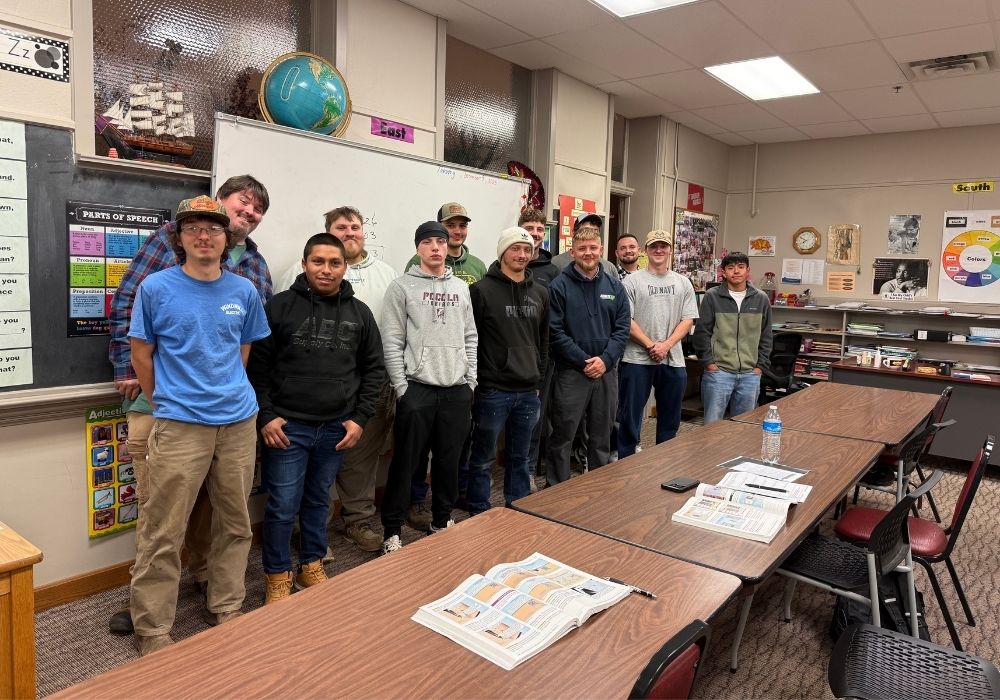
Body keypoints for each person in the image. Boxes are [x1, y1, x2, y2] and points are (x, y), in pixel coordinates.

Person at [107, 175, 271, 636]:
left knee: (235, 523)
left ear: (226, 237)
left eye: (214, 229)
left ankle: (226, 606)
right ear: (179, 237)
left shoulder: (243, 290)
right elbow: (140, 352)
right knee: (163, 530)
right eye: (194, 228)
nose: (205, 235)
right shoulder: (157, 288)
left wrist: (222, 388)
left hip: (238, 422)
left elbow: (241, 351)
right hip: (179, 423)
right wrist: (167, 400)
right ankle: (153, 629)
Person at [248, 233, 385, 604]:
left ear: (345, 266)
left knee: (319, 502)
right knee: (281, 506)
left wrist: (359, 418)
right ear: (305, 264)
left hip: (336, 429)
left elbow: (374, 370)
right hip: (287, 429)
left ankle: (311, 563)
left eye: (334, 263)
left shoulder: (360, 313)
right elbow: (256, 369)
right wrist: (267, 417)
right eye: (318, 262)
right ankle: (277, 574)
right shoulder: (278, 308)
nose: (326, 270)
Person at [279, 206, 398, 553]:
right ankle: (311, 531)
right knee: (314, 459)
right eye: (341, 227)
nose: (349, 232)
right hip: (312, 389)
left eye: (355, 227)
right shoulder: (294, 275)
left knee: (360, 458)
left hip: (369, 385)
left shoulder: (386, 274)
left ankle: (358, 519)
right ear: (328, 233)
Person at [379, 221, 477, 554]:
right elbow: (391, 340)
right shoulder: (401, 287)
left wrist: (470, 381)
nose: (435, 247)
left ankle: (441, 519)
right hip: (417, 388)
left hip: (456, 389)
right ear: (418, 248)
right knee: (406, 462)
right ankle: (392, 529)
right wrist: (402, 387)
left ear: (448, 246)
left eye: (441, 241)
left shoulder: (461, 289)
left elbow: (470, 337)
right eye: (428, 242)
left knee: (449, 462)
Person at [405, 202, 484, 530]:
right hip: (422, 378)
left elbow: (471, 327)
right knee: (417, 450)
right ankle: (416, 502)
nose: (456, 231)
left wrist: (470, 378)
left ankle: (448, 503)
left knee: (454, 449)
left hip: (456, 375)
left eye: (461, 225)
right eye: (450, 225)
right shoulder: (416, 263)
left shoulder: (476, 266)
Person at [467, 227, 548, 514]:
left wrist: (538, 377)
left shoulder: (540, 293)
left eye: (527, 250)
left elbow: (543, 340)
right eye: (515, 248)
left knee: (520, 457)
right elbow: (471, 340)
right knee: (483, 456)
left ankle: (518, 507)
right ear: (503, 252)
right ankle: (478, 508)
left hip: (528, 391)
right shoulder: (480, 291)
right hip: (493, 390)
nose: (522, 254)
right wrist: (476, 382)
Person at [546, 223, 630, 486]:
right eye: (582, 248)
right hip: (572, 372)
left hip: (606, 372)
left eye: (593, 248)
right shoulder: (558, 286)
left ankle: (596, 489)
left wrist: (604, 361)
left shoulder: (615, 287)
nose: (588, 253)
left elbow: (622, 329)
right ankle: (556, 489)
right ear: (572, 252)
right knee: (563, 434)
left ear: (601, 250)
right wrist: (585, 361)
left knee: (601, 435)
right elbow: (555, 332)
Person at [617, 230, 698, 458]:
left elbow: (688, 319)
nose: (659, 250)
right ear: (646, 251)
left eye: (664, 246)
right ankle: (626, 462)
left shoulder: (683, 283)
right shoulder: (631, 282)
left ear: (671, 250)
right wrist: (651, 345)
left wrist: (666, 346)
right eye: (654, 247)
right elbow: (626, 320)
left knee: (670, 419)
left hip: (673, 361)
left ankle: (664, 463)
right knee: (630, 417)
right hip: (636, 360)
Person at [693, 251, 772, 424]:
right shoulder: (712, 296)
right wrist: (709, 363)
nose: (736, 271)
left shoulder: (761, 298)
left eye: (741, 267)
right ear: (723, 272)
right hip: (719, 373)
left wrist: (760, 366)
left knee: (743, 426)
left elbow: (766, 335)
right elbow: (701, 333)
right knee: (712, 425)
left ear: (748, 270)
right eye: (730, 267)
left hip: (750, 374)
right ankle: (711, 452)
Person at [552, 213, 617, 277]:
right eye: (586, 230)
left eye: (595, 231)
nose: (591, 234)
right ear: (574, 233)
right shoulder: (557, 263)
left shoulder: (609, 268)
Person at [520, 208, 560, 287]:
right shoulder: (506, 264)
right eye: (529, 228)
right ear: (519, 231)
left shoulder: (553, 272)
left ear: (544, 235)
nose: (535, 233)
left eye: (539, 229)